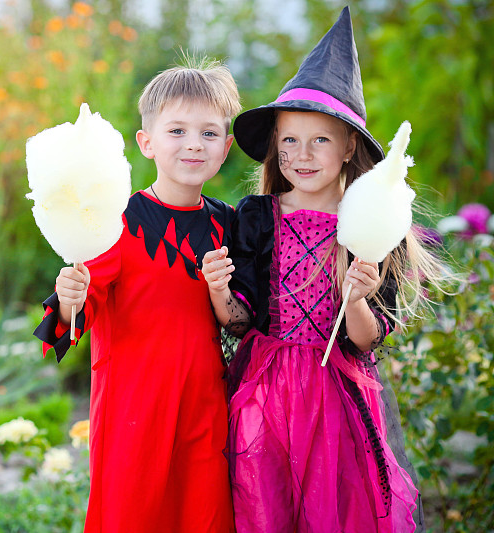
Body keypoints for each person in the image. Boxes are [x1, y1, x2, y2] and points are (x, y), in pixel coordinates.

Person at [202, 7, 443, 532]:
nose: (301, 155)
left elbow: (365, 340)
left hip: (336, 397)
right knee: (264, 508)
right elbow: (241, 321)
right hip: (264, 395)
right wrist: (220, 293)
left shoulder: (372, 227)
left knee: (333, 510)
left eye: (320, 140)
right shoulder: (257, 217)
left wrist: (356, 296)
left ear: (349, 145)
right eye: (289, 140)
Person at [34, 57, 241, 533]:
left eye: (209, 133)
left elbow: (244, 317)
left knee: (204, 515)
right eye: (177, 131)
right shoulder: (115, 220)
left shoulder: (230, 224)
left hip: (205, 404)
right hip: (135, 407)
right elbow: (76, 311)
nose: (194, 144)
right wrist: (70, 297)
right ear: (146, 143)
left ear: (226, 147)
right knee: (134, 515)